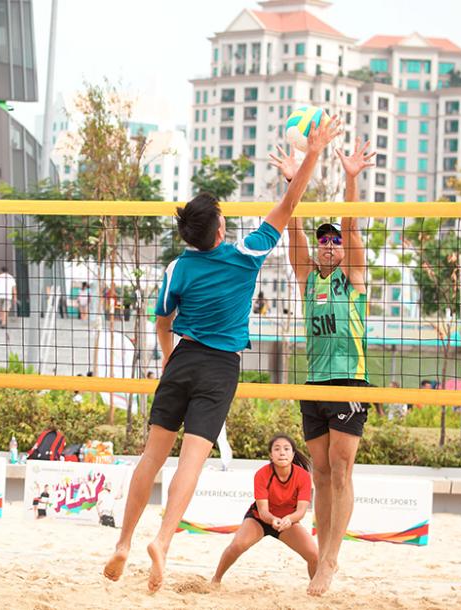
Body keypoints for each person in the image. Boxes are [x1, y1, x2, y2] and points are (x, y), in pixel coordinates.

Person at [102, 112, 340, 593]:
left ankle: (125, 541)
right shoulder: (244, 255)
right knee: (190, 464)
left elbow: (162, 321)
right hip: (219, 368)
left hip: (183, 358)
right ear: (217, 229)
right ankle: (162, 543)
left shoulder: (178, 269)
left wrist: (168, 356)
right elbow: (290, 207)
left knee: (150, 457)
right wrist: (311, 156)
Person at [272, 133, 375, 596]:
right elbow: (290, 227)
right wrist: (294, 182)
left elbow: (353, 229)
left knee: (342, 469)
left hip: (349, 381)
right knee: (322, 475)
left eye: (335, 240)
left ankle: (330, 558)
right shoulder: (308, 277)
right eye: (325, 241)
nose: (331, 244)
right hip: (314, 384)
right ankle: (323, 551)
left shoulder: (353, 279)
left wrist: (352, 181)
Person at [211, 435, 317, 584]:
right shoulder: (262, 474)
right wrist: (273, 519)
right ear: (270, 455)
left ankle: (315, 588)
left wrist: (289, 520)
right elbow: (263, 511)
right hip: (259, 519)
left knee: (314, 555)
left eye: (287, 449)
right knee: (237, 545)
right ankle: (216, 579)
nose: (282, 453)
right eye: (277, 449)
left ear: (293, 455)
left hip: (287, 521)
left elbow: (301, 511)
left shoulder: (303, 476)